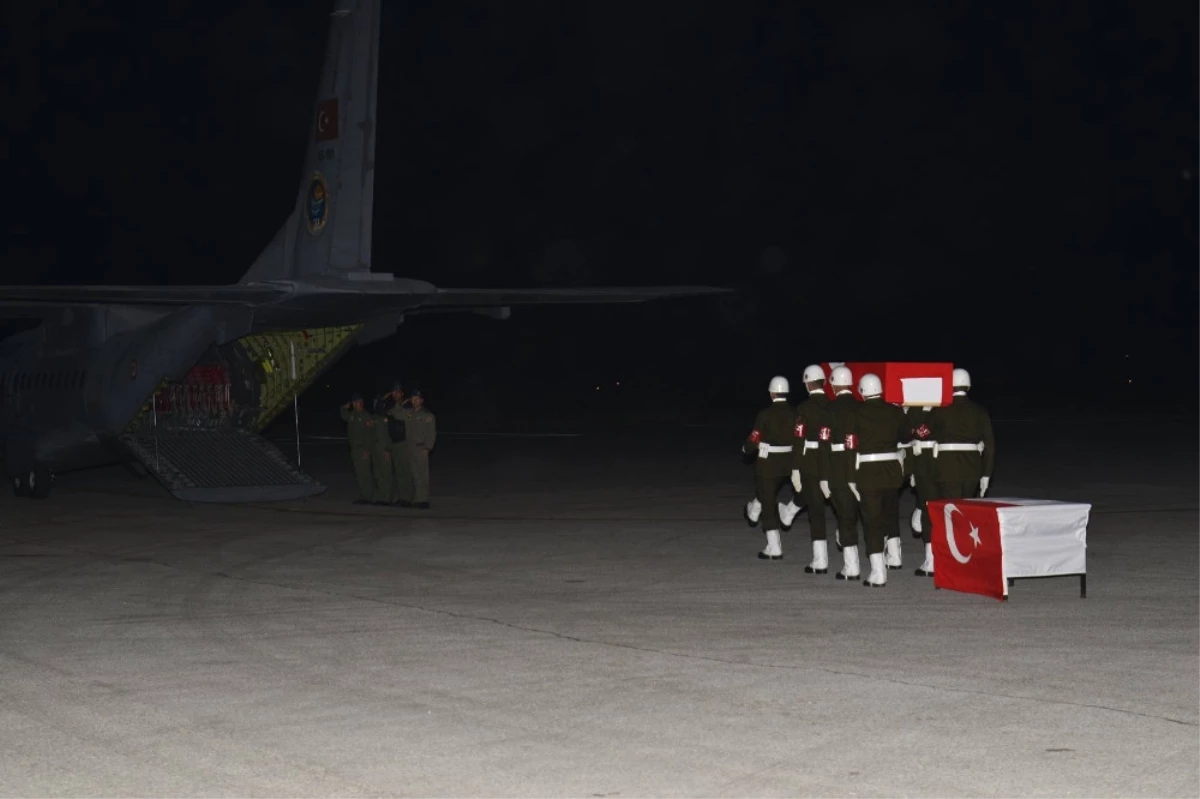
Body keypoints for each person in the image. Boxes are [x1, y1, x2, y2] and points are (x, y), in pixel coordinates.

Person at [921, 367, 996, 576]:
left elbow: (923, 433)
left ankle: (950, 561)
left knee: (948, 517)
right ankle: (965, 558)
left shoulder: (940, 410)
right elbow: (990, 444)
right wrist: (986, 474)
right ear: (969, 386)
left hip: (946, 468)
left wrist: (924, 412)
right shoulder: (979, 411)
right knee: (966, 513)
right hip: (972, 468)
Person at [843, 373, 910, 586]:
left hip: (868, 473)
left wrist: (850, 477)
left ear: (862, 392)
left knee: (871, 522)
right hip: (891, 471)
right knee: (889, 513)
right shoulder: (895, 411)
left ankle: (878, 572)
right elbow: (906, 438)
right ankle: (895, 556)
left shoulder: (855, 413)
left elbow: (850, 446)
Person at [781, 364, 834, 574]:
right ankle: (790, 510)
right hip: (833, 460)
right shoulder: (833, 406)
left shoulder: (804, 408)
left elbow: (799, 438)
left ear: (808, 384)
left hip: (811, 461)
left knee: (816, 510)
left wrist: (795, 467)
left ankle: (820, 560)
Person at [742, 376, 795, 560]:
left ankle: (774, 546)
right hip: (789, 460)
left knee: (768, 500)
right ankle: (754, 509)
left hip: (769, 462)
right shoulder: (795, 413)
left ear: (772, 393)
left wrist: (746, 448)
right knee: (766, 493)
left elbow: (755, 438)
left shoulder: (765, 414)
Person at [821, 365, 862, 579]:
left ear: (834, 385)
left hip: (838, 466)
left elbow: (824, 443)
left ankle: (851, 566)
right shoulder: (861, 407)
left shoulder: (829, 410)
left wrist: (823, 474)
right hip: (862, 464)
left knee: (845, 516)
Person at [339, 393, 375, 504]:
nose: (356, 404)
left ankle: (368, 496)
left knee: (365, 474)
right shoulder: (352, 415)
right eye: (354, 402)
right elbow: (343, 414)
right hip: (354, 449)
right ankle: (364, 495)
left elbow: (370, 435)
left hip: (362, 449)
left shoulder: (366, 416)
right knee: (359, 473)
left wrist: (367, 449)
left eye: (358, 402)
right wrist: (344, 407)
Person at [405, 389, 437, 509]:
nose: (414, 401)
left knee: (422, 474)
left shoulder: (427, 415)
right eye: (412, 398)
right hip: (411, 447)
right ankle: (418, 498)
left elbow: (432, 433)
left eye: (417, 398)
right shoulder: (409, 414)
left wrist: (428, 447)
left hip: (421, 447)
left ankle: (423, 500)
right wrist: (404, 401)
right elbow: (395, 412)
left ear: (422, 400)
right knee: (415, 474)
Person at [386, 382, 415, 506]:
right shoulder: (391, 406)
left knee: (406, 471)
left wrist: (398, 405)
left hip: (404, 442)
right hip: (395, 443)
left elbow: (400, 417)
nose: (395, 394)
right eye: (393, 392)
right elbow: (380, 409)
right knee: (398, 472)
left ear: (402, 393)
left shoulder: (407, 405)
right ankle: (402, 497)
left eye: (398, 392)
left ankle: (408, 498)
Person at [370, 396, 394, 505]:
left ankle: (387, 497)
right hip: (375, 450)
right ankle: (380, 496)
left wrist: (388, 449)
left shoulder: (386, 418)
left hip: (384, 450)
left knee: (386, 474)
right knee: (377, 474)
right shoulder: (373, 418)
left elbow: (389, 436)